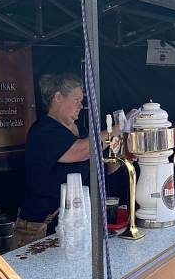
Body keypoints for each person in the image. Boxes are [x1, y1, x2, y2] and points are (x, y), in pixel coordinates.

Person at [15, 73, 120, 247]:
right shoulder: (43, 131)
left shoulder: (83, 131)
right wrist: (117, 129)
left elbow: (106, 167)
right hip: (46, 227)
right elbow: (81, 151)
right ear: (57, 97)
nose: (81, 105)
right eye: (76, 100)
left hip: (79, 225)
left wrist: (122, 152)